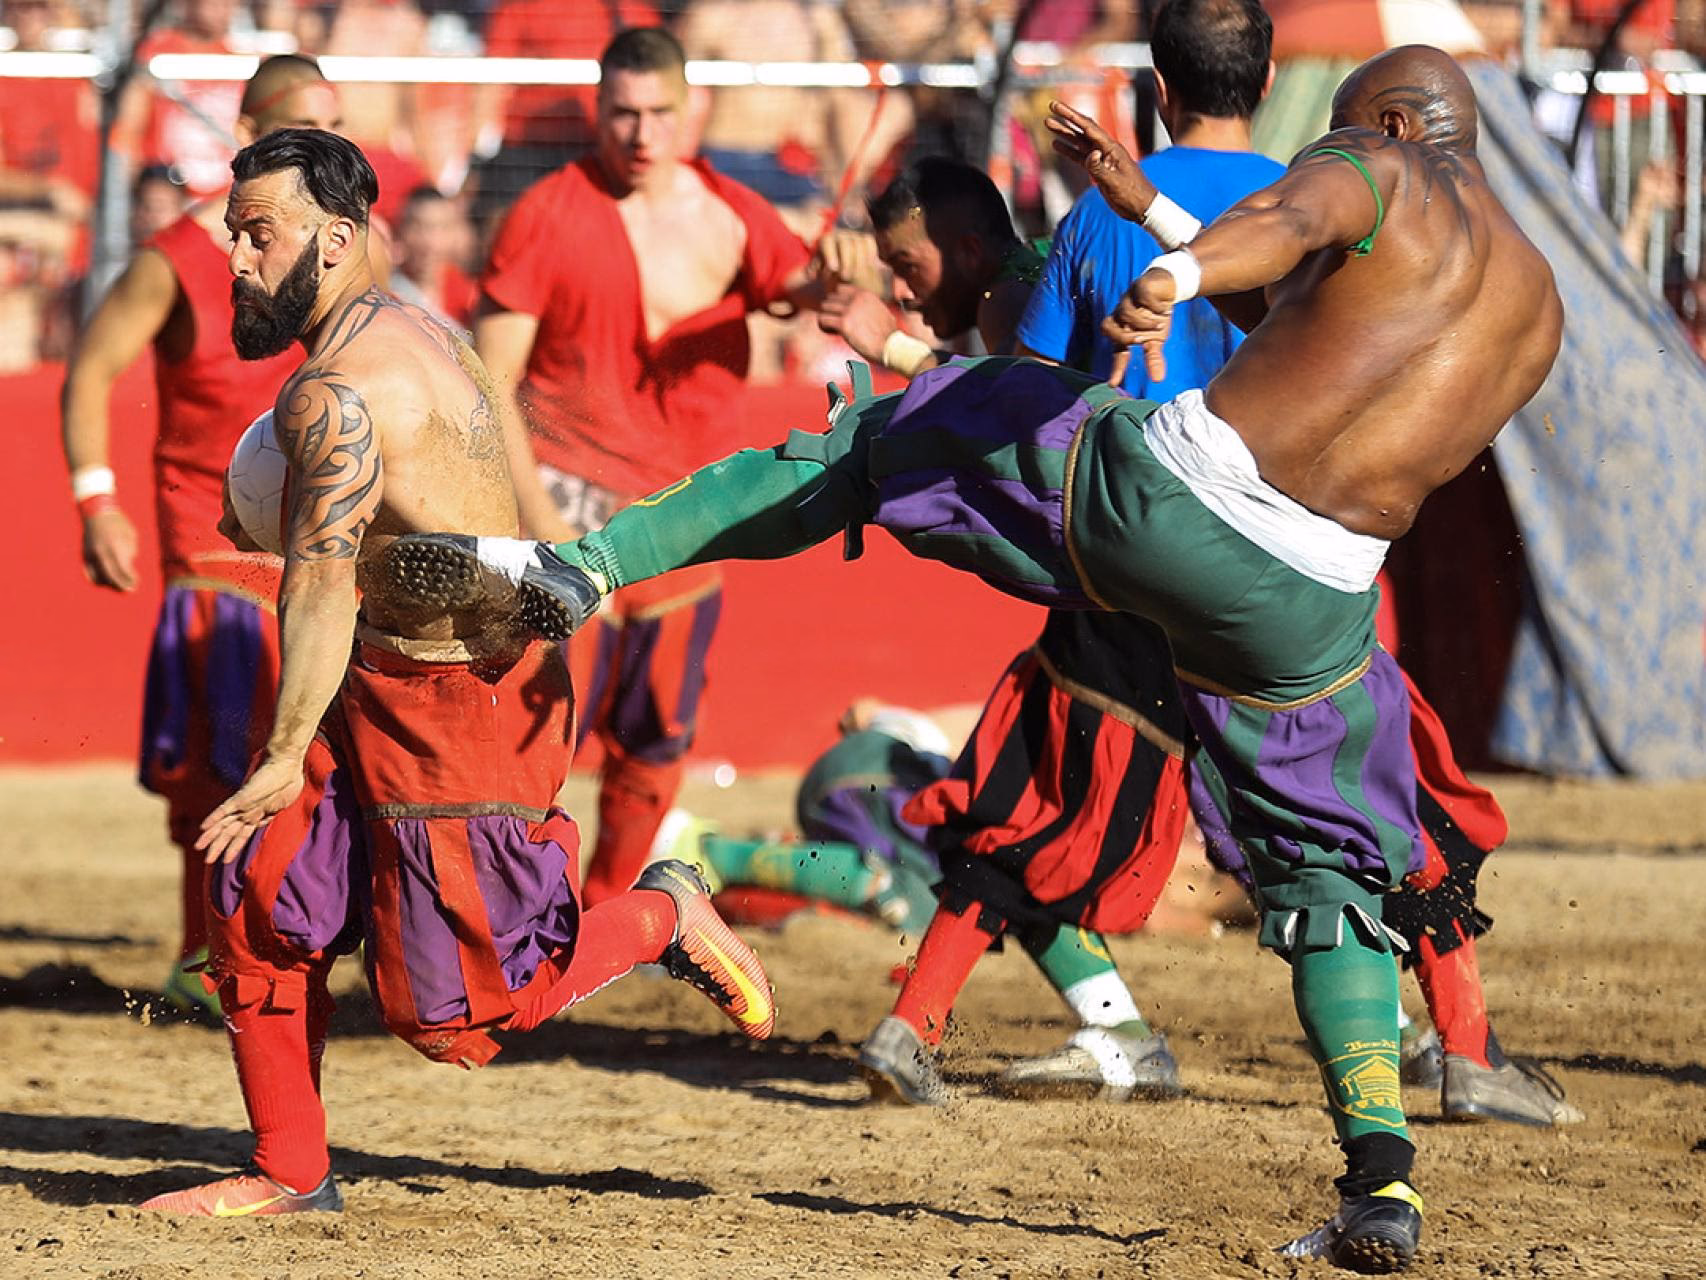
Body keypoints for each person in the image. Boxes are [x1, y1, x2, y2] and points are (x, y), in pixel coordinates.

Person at [392, 46, 1565, 1271]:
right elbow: (1315, 329)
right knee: (1326, 878)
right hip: (1315, 608)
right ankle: (1380, 1175)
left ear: (1386, 120)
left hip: (1165, 504)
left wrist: (1175, 263)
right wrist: (1153, 216)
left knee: (864, 448)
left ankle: (581, 570)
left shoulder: (1375, 161)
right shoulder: (1532, 301)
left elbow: (1281, 221)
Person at [137, 128, 775, 1218]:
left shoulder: (337, 391)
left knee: (460, 1020)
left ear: (334, 240)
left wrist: (285, 749)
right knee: (257, 891)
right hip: (382, 667)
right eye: (231, 232)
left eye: (257, 234)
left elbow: (323, 583)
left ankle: (660, 913)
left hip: (460, 702)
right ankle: (290, 1169)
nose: (232, 258)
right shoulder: (395, 330)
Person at [819, 157, 1195, 1102]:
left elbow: (1027, 412)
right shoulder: (1016, 291)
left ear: (971, 250)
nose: (902, 289)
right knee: (1016, 822)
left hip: (1142, 600)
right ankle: (1115, 1037)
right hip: (1128, 597)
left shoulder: (1021, 298)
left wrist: (893, 349)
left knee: (1009, 818)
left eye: (909, 268)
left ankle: (924, 1028)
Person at [476, 27, 819, 908]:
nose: (640, 133)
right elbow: (488, 385)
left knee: (656, 741)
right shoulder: (547, 214)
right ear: (597, 106)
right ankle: (510, 925)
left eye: (659, 112)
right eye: (623, 112)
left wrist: (850, 267)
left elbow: (816, 291)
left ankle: (603, 930)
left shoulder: (736, 215)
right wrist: (541, 523)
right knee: (527, 735)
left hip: (681, 517)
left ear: (690, 107)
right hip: (561, 501)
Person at [59, 54, 346, 1019]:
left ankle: (309, 947)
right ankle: (210, 952)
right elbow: (92, 369)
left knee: (331, 764)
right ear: (253, 138)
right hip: (214, 551)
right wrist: (98, 498)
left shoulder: (347, 248)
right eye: (305, 133)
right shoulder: (180, 256)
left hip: (323, 545)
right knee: (220, 768)